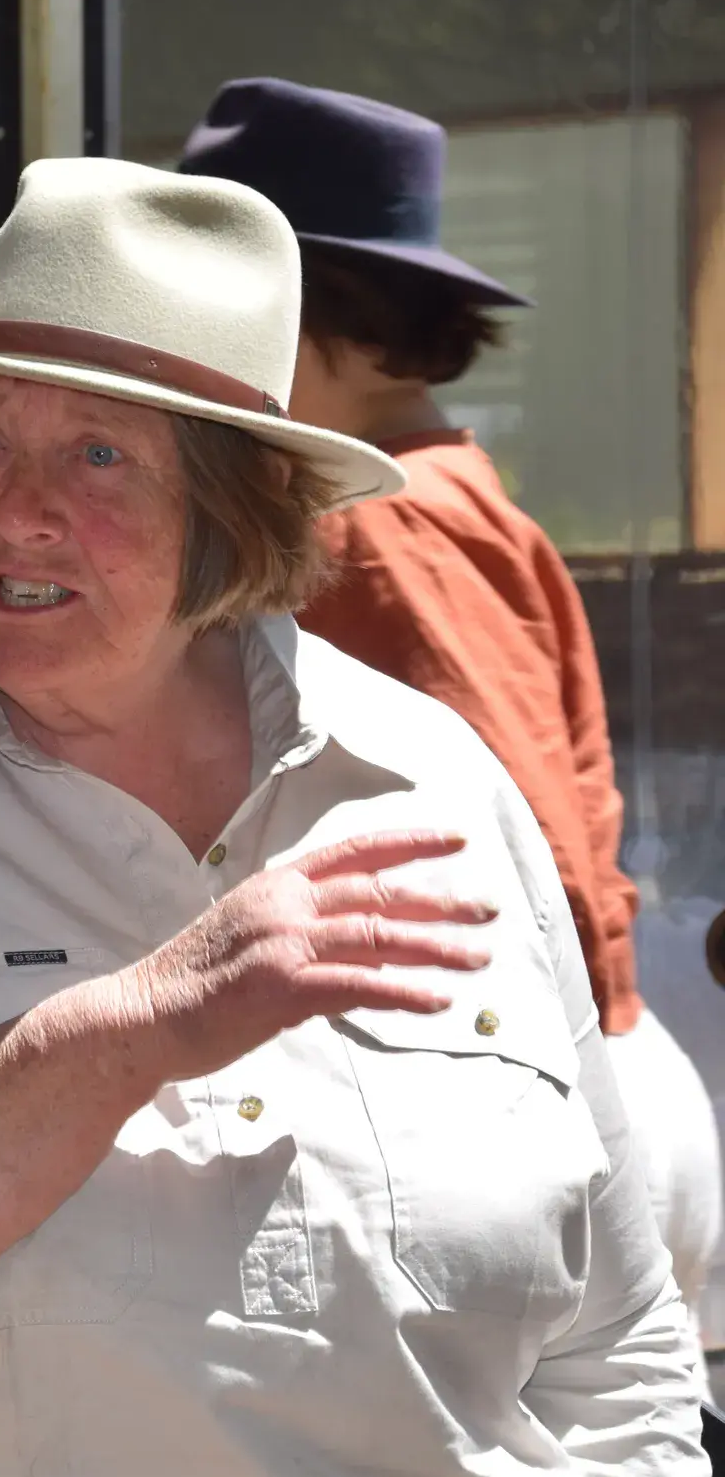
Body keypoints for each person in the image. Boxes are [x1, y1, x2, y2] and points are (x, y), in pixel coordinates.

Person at [0, 157, 706, 1473]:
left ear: (234, 509)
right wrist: (126, 1031)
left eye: (100, 452)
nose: (22, 511)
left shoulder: (433, 774)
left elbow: (619, 1350)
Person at [181, 75, 725, 1356]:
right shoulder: (440, 495)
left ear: (332, 318)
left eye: (224, 308)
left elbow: (510, 845)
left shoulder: (379, 527)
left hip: (529, 1116)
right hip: (556, 1100)